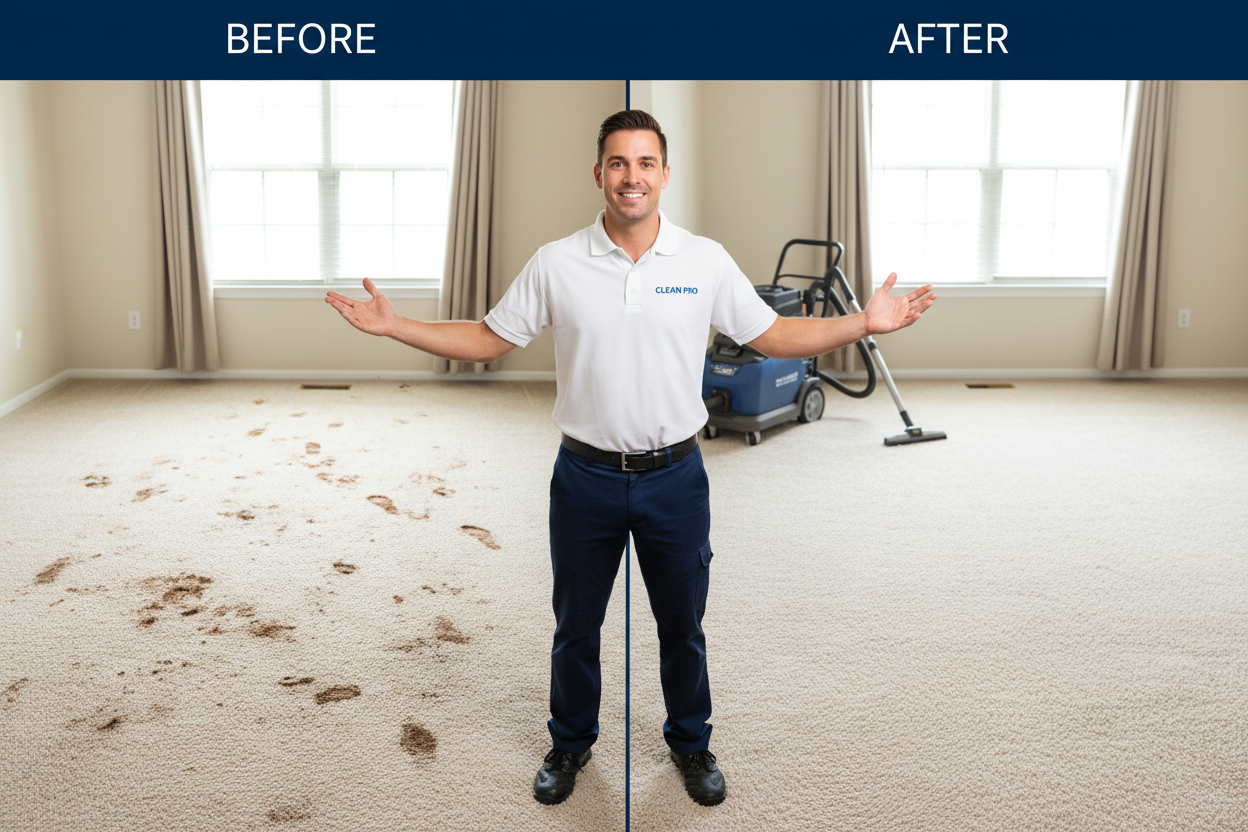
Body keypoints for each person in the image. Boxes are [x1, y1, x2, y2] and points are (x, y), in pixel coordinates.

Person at [326, 109, 936, 808]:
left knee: (682, 625)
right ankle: (570, 743)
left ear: (664, 175)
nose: (632, 177)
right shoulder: (557, 262)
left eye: (645, 163)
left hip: (675, 478)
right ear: (599, 175)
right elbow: (491, 338)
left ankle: (690, 742)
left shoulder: (703, 260)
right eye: (618, 163)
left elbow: (773, 335)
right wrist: (396, 325)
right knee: (575, 627)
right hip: (583, 477)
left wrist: (863, 323)